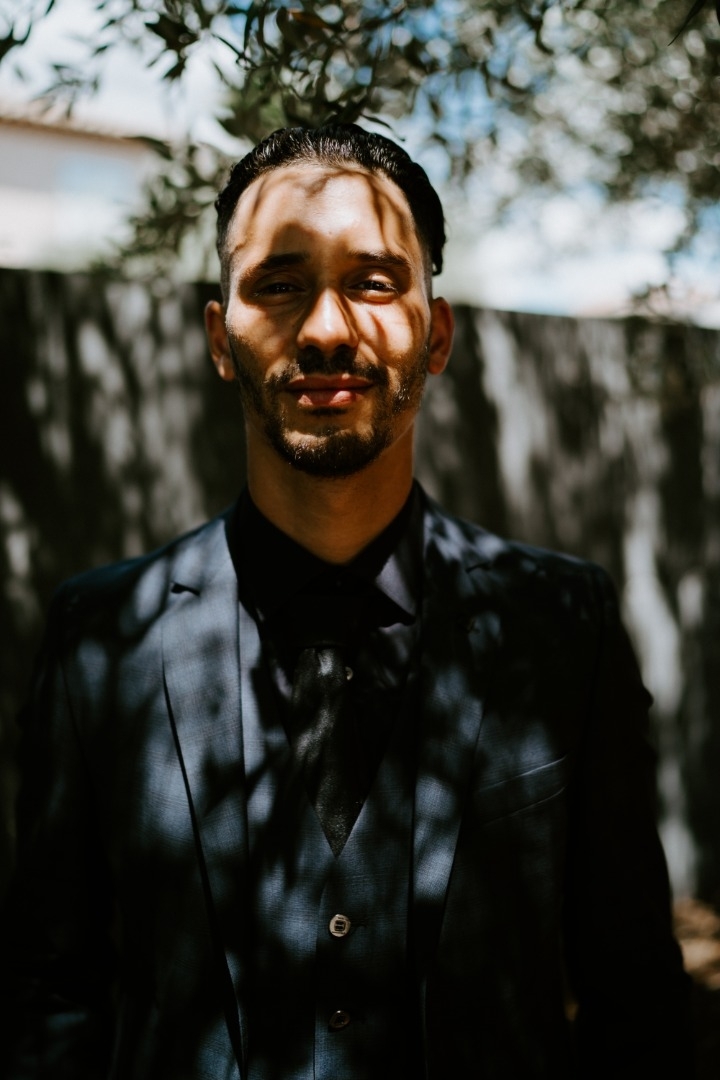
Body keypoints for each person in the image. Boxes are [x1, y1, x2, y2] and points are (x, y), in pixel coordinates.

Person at [0, 124, 692, 1079]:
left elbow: (635, 1001)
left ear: (435, 334)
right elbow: (50, 996)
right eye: (280, 285)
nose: (327, 329)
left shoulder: (562, 623)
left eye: (372, 281)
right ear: (219, 339)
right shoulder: (100, 635)